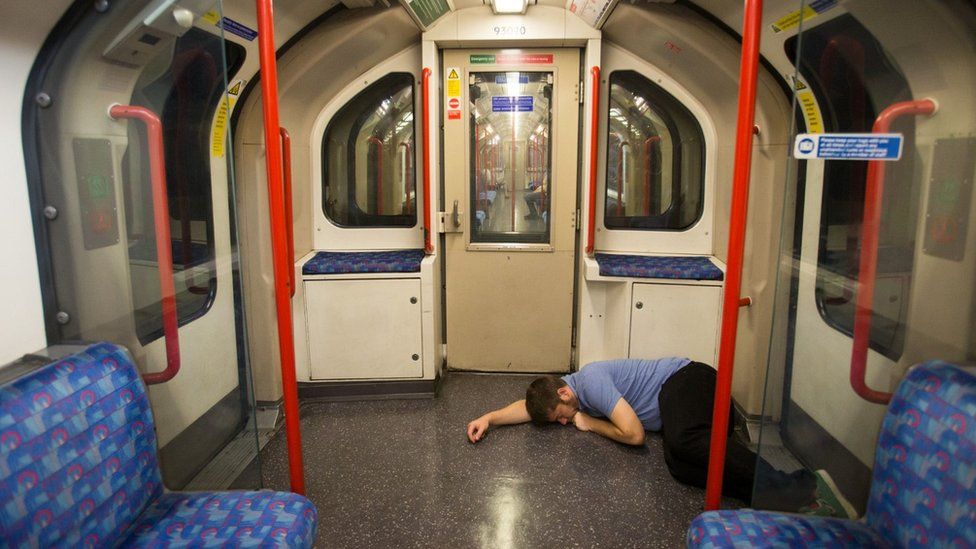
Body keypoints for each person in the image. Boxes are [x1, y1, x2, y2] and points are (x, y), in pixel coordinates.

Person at [465, 358, 857, 518]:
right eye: (560, 422)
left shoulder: (593, 384)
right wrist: (489, 418)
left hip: (688, 380)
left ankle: (804, 487)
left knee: (684, 442)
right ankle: (766, 496)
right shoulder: (561, 392)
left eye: (562, 418)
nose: (565, 424)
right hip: (674, 407)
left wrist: (591, 424)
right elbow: (529, 405)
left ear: (567, 395)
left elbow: (634, 436)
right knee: (679, 464)